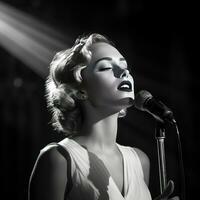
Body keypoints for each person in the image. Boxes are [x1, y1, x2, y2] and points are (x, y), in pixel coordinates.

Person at [28, 33, 179, 200]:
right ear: (79, 90)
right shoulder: (59, 159)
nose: (123, 73)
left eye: (125, 67)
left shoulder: (140, 160)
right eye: (106, 67)